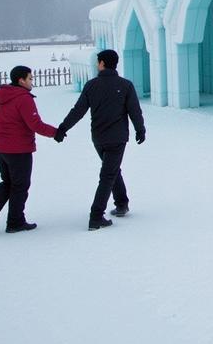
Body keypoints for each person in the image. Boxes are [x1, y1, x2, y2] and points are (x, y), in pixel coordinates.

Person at [57, 49, 146, 231]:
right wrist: (140, 129)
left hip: (98, 138)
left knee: (111, 170)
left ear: (102, 63)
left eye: (98, 62)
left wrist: (63, 128)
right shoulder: (126, 85)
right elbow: (134, 111)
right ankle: (96, 216)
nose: (97, 64)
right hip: (118, 137)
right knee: (109, 173)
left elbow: (78, 111)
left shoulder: (91, 85)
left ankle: (122, 203)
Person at [0, 65, 59, 236]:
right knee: (20, 185)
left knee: (8, 183)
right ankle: (15, 222)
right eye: (30, 78)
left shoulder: (0, 97)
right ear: (21, 80)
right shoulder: (24, 99)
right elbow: (35, 124)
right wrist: (56, 133)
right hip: (18, 151)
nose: (32, 81)